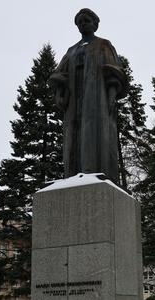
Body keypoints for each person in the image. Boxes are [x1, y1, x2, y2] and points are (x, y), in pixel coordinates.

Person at [49, 8, 128, 184]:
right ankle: (73, 174)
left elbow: (115, 73)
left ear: (95, 24)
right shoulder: (71, 51)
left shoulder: (103, 45)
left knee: (94, 132)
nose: (83, 24)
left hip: (96, 97)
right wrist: (60, 92)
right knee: (74, 134)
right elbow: (58, 75)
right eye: (80, 22)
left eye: (87, 21)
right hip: (74, 101)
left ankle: (95, 171)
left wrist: (111, 95)